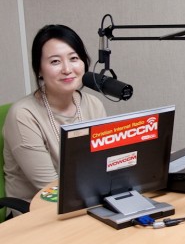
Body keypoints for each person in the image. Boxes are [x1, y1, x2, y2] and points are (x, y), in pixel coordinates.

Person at [3, 25, 107, 216]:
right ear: (39, 70)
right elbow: (49, 188)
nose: (67, 69)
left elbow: (104, 166)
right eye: (55, 61)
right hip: (37, 212)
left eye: (74, 58)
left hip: (87, 202)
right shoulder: (23, 115)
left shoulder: (93, 104)